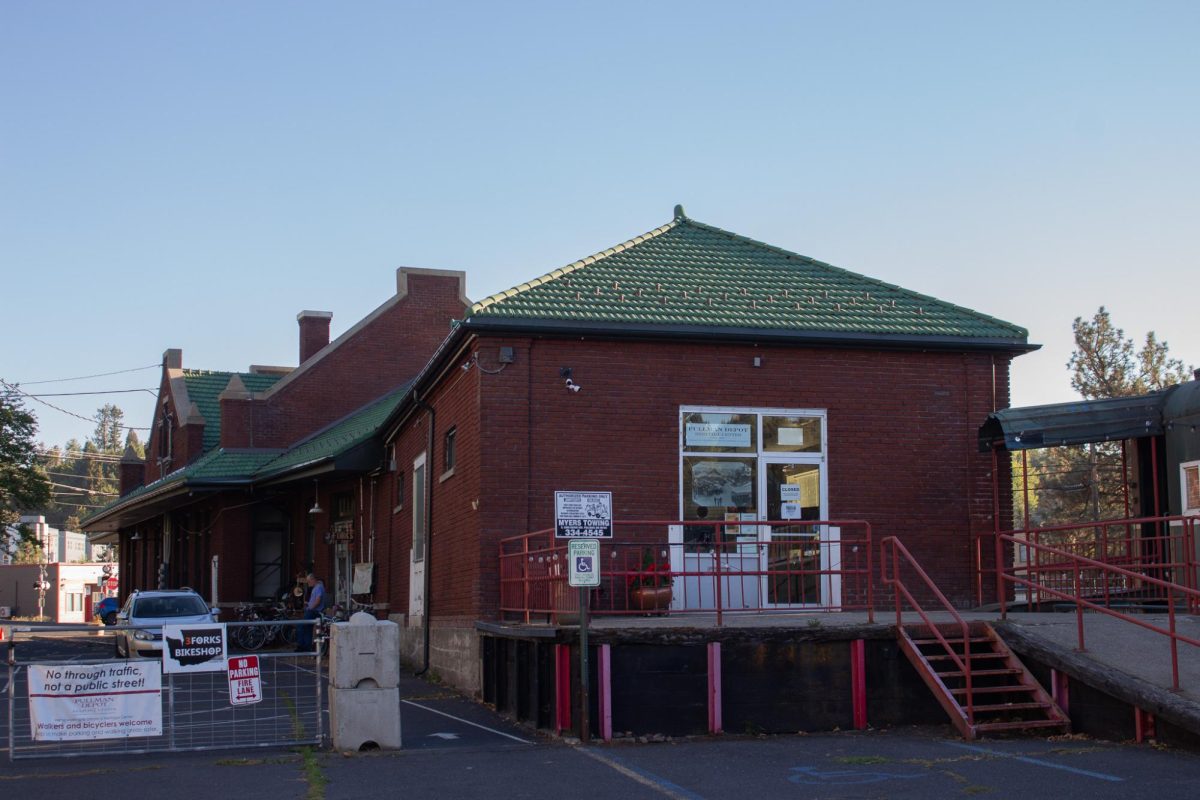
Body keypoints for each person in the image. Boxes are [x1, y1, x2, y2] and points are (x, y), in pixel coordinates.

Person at [296, 573, 325, 652]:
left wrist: (310, 608)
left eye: (309, 581)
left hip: (314, 611)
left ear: (313, 580)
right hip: (313, 610)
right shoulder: (317, 587)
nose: (308, 583)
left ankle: (301, 645)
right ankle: (307, 646)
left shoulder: (318, 587)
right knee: (308, 628)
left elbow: (318, 600)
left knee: (301, 626)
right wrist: (308, 604)